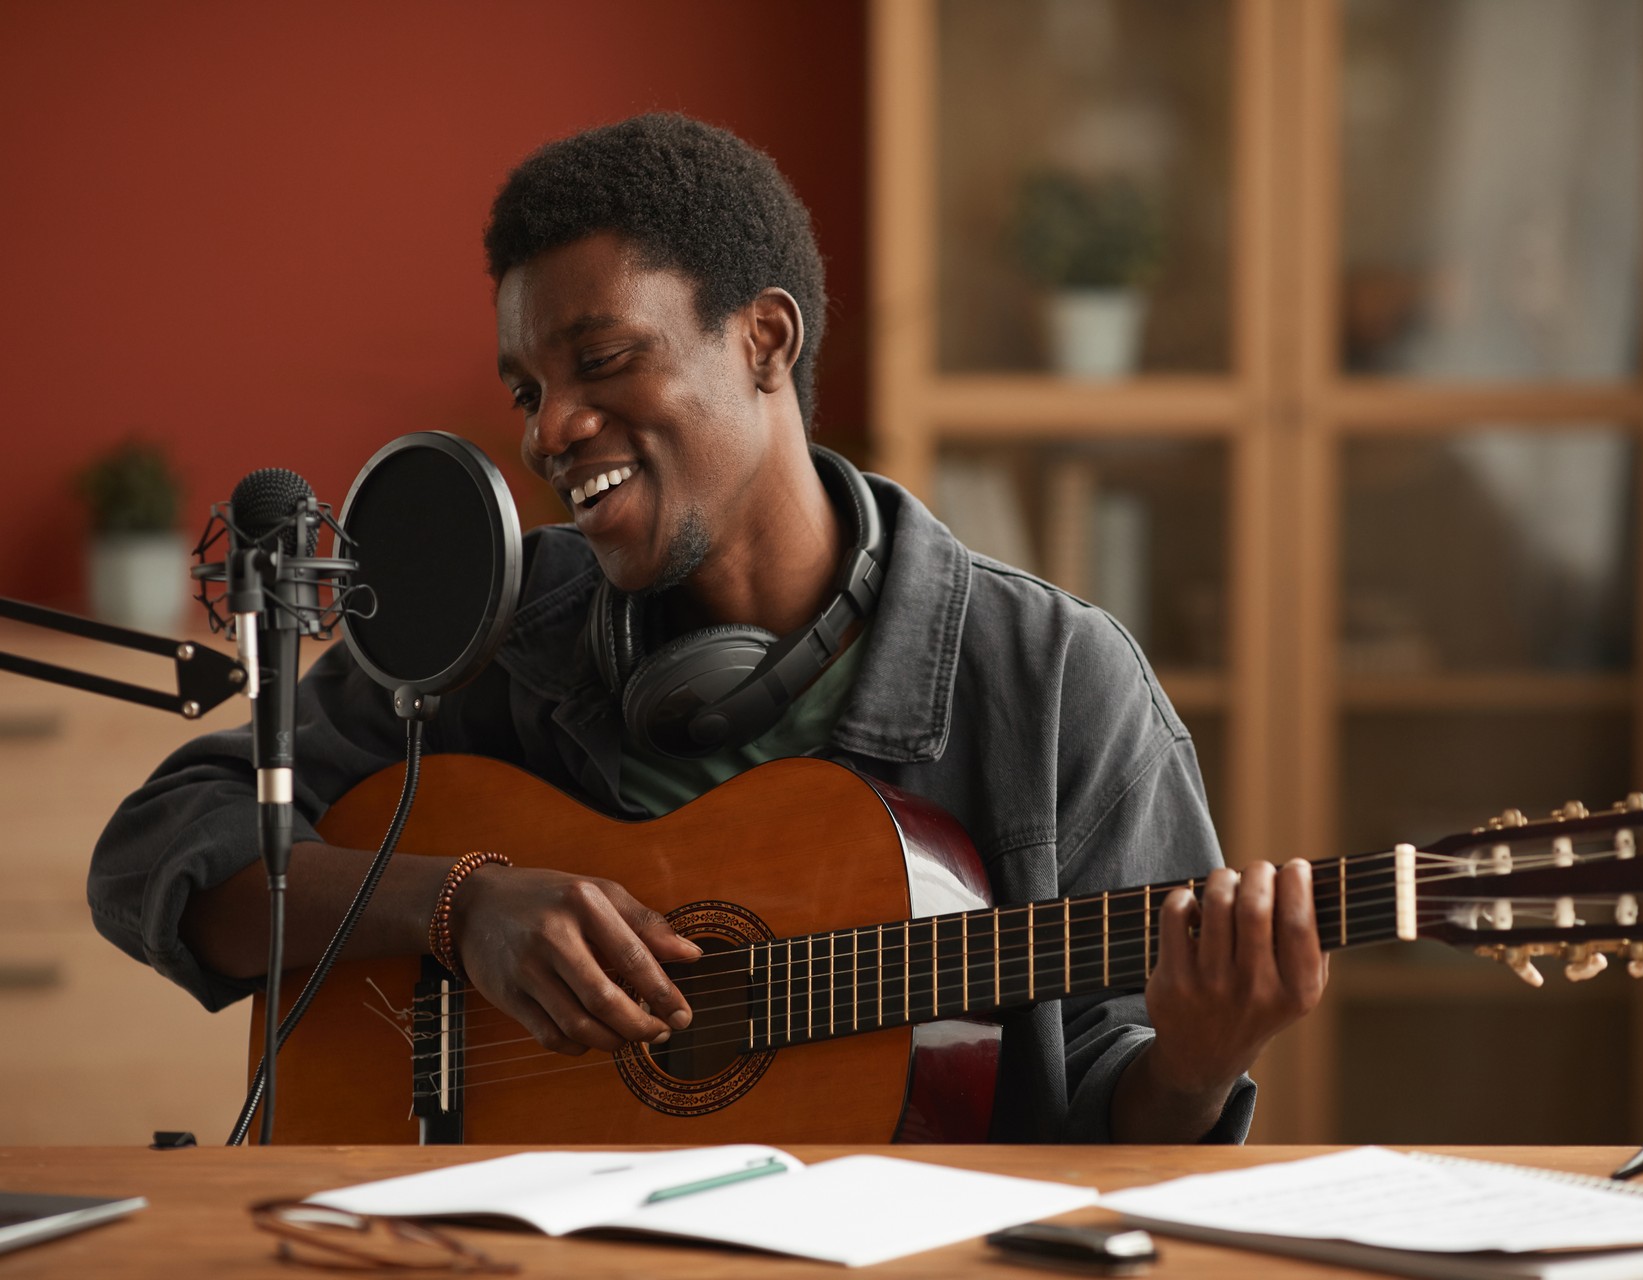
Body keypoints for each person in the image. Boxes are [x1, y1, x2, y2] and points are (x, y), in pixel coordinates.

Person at [88, 113, 1325, 1142]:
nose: (547, 429)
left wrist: (1198, 1064)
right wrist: (458, 904)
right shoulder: (508, 630)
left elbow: (1121, 1138)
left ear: (765, 340)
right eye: (530, 389)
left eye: (604, 360)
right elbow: (158, 851)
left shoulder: (1060, 682)